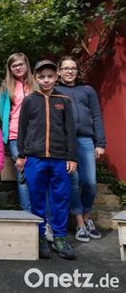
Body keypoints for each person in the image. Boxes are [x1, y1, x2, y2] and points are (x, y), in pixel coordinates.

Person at [16, 60, 77, 260]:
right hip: (35, 158)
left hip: (59, 159)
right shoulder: (29, 100)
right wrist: (22, 155)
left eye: (50, 76)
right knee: (37, 199)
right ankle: (40, 236)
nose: (46, 80)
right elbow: (23, 129)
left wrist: (72, 157)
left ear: (56, 76)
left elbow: (70, 131)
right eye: (42, 77)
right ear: (35, 78)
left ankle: (59, 237)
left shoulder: (64, 100)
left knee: (60, 198)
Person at [56, 56, 106, 243]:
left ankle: (86, 218)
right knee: (73, 182)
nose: (69, 71)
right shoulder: (55, 91)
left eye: (73, 68)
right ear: (59, 72)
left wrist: (100, 143)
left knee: (90, 183)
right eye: (66, 68)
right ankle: (79, 223)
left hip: (86, 141)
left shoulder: (87, 90)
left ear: (77, 71)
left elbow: (97, 116)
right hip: (65, 143)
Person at [0, 52, 36, 213]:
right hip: (15, 135)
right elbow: (2, 110)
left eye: (20, 64)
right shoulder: (6, 86)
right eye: (14, 66)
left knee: (38, 173)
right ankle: (27, 214)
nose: (18, 68)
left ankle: (43, 216)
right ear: (10, 69)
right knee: (22, 176)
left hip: (36, 134)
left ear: (27, 64)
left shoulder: (37, 83)